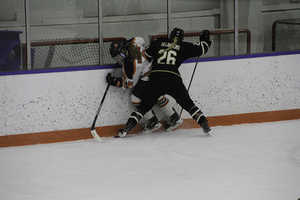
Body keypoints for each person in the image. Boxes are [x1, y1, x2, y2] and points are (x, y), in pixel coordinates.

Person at [116, 28, 212, 138]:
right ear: (181, 38)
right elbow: (203, 48)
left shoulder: (159, 42)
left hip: (156, 78)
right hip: (173, 79)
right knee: (188, 105)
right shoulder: (183, 46)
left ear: (170, 36)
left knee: (143, 107)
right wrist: (205, 38)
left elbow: (146, 55)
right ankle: (204, 124)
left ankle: (126, 128)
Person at [107, 37, 183, 134]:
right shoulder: (133, 43)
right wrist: (128, 42)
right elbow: (141, 40)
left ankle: (153, 120)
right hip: (158, 68)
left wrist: (113, 81)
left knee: (135, 98)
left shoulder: (130, 65)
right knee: (155, 94)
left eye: (117, 57)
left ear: (122, 53)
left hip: (151, 75)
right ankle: (172, 116)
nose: (117, 59)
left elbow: (130, 83)